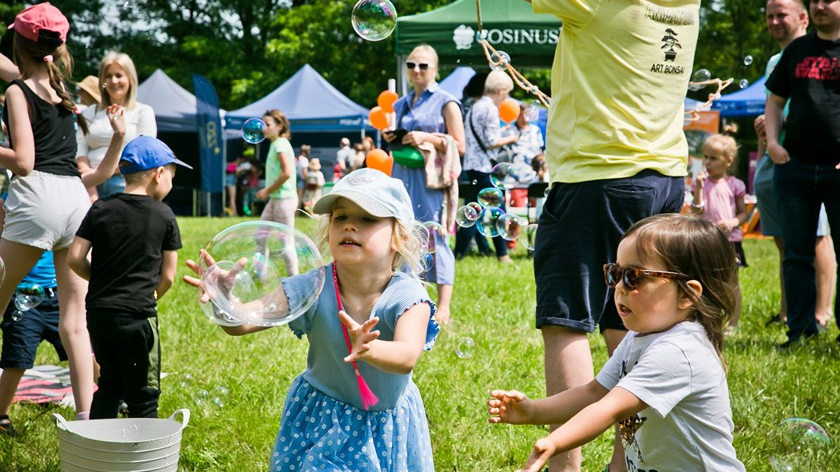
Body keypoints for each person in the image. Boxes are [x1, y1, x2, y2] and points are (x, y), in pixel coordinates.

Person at [526, 0, 699, 469]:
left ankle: (564, 465)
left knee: (567, 322)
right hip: (663, 176)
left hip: (596, 177)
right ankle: (628, 463)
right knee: (633, 322)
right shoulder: (689, 6)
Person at [184, 168, 439, 472]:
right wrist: (224, 299)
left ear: (398, 237)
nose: (349, 227)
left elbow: (407, 355)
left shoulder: (407, 295)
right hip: (322, 416)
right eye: (340, 217)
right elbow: (241, 324)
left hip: (384, 424)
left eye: (367, 219)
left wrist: (372, 350)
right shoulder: (312, 286)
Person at [488, 214, 745, 472]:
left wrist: (554, 442)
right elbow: (594, 393)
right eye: (615, 273)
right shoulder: (640, 336)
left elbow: (608, 408)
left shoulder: (679, 351)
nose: (619, 287)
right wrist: (533, 411)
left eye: (634, 276)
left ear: (687, 294)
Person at [0, 3, 128, 421]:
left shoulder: (19, 92)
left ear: (18, 44)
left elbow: (22, 161)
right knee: (76, 323)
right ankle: (87, 420)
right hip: (75, 202)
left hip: (37, 199)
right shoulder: (62, 94)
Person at [68, 136, 189, 418]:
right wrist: (148, 295)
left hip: (99, 313)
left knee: (109, 382)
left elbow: (74, 257)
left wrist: (98, 280)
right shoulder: (164, 215)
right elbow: (168, 276)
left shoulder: (100, 208)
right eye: (172, 174)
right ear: (159, 174)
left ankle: (98, 451)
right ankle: (142, 458)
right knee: (143, 392)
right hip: (137, 316)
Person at [753, 0, 836, 330]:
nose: (820, 5)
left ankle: (826, 314)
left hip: (834, 168)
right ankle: (799, 326)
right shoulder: (797, 51)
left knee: (823, 243)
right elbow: (774, 101)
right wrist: (772, 143)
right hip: (794, 166)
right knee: (795, 251)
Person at [385, 44, 466, 325]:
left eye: (423, 65)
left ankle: (443, 306)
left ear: (435, 70)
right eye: (411, 65)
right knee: (403, 234)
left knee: (435, 235)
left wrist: (425, 137)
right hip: (402, 174)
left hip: (430, 180)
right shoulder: (401, 103)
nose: (416, 70)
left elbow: (460, 145)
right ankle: (410, 295)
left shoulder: (446, 101)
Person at [454, 71, 519, 263]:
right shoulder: (490, 108)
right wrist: (512, 138)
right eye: (506, 94)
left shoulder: (475, 105)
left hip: (473, 165)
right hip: (484, 167)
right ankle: (502, 255)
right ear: (500, 90)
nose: (506, 99)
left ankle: (459, 253)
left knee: (472, 211)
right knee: (495, 208)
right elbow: (491, 141)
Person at [76, 51, 157, 201]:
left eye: (119, 75)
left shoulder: (142, 112)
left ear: (130, 78)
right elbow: (79, 147)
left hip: (125, 181)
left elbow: (143, 152)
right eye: (108, 76)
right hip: (87, 183)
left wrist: (104, 172)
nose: (113, 81)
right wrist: (89, 180)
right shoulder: (88, 113)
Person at [690, 133, 748, 332]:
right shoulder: (701, 183)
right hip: (705, 239)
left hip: (730, 240)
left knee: (731, 282)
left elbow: (743, 213)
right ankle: (707, 320)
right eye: (705, 157)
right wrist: (698, 188)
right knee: (705, 280)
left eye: (713, 158)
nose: (707, 162)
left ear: (728, 161)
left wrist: (732, 222)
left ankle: (732, 323)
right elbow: (696, 210)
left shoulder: (735, 184)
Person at [0, 252, 61, 435]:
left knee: (84, 352)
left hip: (59, 294)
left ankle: (116, 396)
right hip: (21, 293)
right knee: (17, 358)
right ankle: (1, 415)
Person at [255, 110, 297, 230]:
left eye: (267, 124)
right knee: (260, 235)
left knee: (286, 239)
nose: (264, 128)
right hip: (276, 198)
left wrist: (267, 191)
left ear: (280, 126)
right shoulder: (275, 144)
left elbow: (287, 173)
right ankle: (261, 250)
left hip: (285, 199)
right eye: (262, 125)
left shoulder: (280, 145)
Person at [295, 144, 311, 211]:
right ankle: (296, 213)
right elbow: (305, 173)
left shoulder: (297, 158)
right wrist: (307, 182)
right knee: (299, 197)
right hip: (300, 180)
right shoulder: (304, 159)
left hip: (294, 179)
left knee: (294, 197)